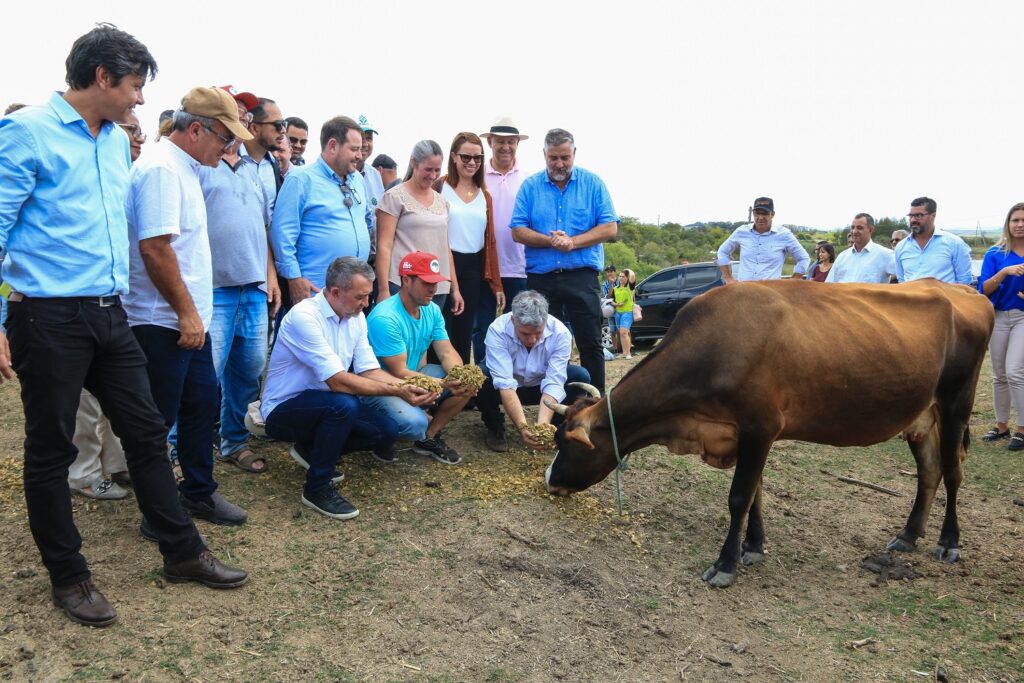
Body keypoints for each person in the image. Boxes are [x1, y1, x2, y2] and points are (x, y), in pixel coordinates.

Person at [0, 24, 246, 628]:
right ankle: (70, 575)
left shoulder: (114, 142)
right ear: (103, 76)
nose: (141, 100)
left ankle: (182, 551)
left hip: (112, 313)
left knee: (143, 432)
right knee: (51, 448)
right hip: (48, 316)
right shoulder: (26, 131)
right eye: (135, 85)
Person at [126, 86, 255, 528]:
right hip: (163, 320)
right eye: (225, 137)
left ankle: (198, 492)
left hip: (188, 319)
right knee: (157, 421)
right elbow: (156, 250)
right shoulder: (162, 169)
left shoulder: (187, 167)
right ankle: (157, 514)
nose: (230, 147)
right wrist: (185, 313)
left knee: (202, 405)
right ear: (196, 129)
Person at [261, 257, 435, 520]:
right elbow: (338, 381)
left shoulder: (355, 316)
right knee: (344, 404)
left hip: (326, 403)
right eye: (360, 297)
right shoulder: (304, 317)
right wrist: (398, 392)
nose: (366, 303)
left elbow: (369, 370)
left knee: (386, 430)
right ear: (334, 292)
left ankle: (311, 449)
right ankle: (316, 488)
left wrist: (410, 386)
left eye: (367, 296)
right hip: (284, 409)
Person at [197, 87, 281, 474]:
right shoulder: (200, 163)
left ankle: (233, 441)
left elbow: (261, 227)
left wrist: (271, 278)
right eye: (239, 113)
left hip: (253, 289)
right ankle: (182, 450)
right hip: (213, 289)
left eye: (249, 114)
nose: (245, 120)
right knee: (203, 377)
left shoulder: (254, 168)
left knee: (248, 371)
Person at [67, 109, 149, 500]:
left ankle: (116, 463)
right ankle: (82, 471)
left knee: (116, 399)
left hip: (122, 302)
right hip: (78, 303)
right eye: (129, 128)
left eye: (138, 131)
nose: (137, 136)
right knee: (84, 399)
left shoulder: (134, 173)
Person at [510, 128, 617, 393]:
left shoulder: (593, 184)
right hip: (542, 279)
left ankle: (595, 403)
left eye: (565, 158)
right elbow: (517, 230)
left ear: (574, 154)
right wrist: (550, 241)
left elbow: (610, 228)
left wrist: (573, 242)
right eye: (554, 158)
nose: (560, 164)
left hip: (581, 275)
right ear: (544, 155)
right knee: (543, 342)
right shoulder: (530, 187)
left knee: (590, 341)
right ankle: (554, 401)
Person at [366, 252, 477, 464]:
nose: (433, 289)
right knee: (414, 423)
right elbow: (398, 372)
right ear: (406, 280)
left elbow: (446, 352)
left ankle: (428, 437)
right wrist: (444, 384)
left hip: (413, 375)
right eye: (427, 283)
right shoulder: (386, 318)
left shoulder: (432, 309)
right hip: (379, 385)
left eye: (436, 282)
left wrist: (460, 376)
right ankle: (379, 433)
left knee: (468, 384)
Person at [270, 115, 373, 309]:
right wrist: (294, 278)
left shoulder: (357, 179)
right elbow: (282, 235)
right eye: (354, 149)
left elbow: (367, 222)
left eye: (360, 149)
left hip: (351, 296)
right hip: (314, 293)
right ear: (333, 145)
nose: (360, 155)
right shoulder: (301, 179)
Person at [478, 290, 593, 451]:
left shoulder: (561, 333)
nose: (532, 340)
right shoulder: (497, 329)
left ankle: (555, 426)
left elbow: (554, 381)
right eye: (525, 333)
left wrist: (542, 426)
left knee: (580, 376)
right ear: (513, 320)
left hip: (539, 386)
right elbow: (504, 383)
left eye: (538, 333)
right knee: (480, 376)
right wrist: (523, 427)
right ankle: (494, 424)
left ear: (545, 320)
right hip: (506, 389)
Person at [438, 132, 504, 365]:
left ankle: (462, 390)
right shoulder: (439, 186)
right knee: (440, 325)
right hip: (442, 263)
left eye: (478, 158)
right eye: (466, 157)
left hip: (472, 265)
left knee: (464, 329)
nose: (472, 162)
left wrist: (496, 283)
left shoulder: (484, 195)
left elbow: (490, 242)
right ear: (454, 156)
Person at [375, 140, 462, 313]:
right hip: (404, 284)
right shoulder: (394, 197)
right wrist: (383, 289)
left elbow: (446, 249)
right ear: (413, 162)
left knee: (430, 337)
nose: (433, 175)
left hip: (437, 286)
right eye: (428, 169)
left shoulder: (443, 202)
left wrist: (456, 289)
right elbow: (384, 246)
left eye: (437, 170)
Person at [475, 117, 529, 364]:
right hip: (485, 266)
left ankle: (514, 381)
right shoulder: (477, 176)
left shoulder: (528, 179)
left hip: (520, 267)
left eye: (510, 142)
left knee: (518, 327)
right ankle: (484, 384)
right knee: (483, 326)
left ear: (517, 143)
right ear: (490, 142)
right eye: (500, 142)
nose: (505, 147)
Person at [977, 202, 1024, 450]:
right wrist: (1004, 272)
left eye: (1023, 220)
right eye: (1015, 220)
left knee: (1015, 371)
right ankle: (1002, 425)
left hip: (1022, 317)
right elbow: (984, 289)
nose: (1019, 225)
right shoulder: (995, 254)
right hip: (998, 316)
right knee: (999, 375)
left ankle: (1022, 429)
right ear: (1008, 223)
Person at [716, 197, 810, 282]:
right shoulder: (741, 232)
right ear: (753, 213)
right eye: (757, 213)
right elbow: (722, 251)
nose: (760, 218)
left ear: (772, 214)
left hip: (770, 294)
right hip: (743, 293)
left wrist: (794, 280)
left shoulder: (784, 235)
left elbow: (804, 258)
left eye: (765, 213)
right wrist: (728, 278)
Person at [894, 197, 972, 284]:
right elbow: (901, 280)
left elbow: (964, 282)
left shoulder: (955, 243)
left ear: (933, 216)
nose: (912, 220)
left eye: (918, 216)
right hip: (910, 297)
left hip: (944, 297)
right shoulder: (901, 247)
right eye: (910, 216)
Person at [826, 213, 897, 283]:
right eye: (852, 227)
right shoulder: (842, 256)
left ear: (871, 230)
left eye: (859, 228)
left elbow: (905, 277)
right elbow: (829, 284)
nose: (854, 231)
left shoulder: (885, 255)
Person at [613, 269, 637, 359]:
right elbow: (611, 301)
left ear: (627, 278)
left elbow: (633, 277)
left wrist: (628, 270)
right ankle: (624, 352)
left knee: (624, 332)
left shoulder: (630, 288)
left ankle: (628, 354)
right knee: (622, 333)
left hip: (627, 312)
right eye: (620, 276)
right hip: (618, 313)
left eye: (623, 276)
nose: (621, 278)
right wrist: (616, 304)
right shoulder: (615, 289)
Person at [601, 264, 619, 354]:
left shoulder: (621, 281)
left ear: (615, 272)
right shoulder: (605, 284)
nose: (609, 273)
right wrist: (611, 285)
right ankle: (615, 349)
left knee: (623, 329)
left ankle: (626, 349)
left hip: (621, 307)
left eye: (611, 271)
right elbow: (607, 297)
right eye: (608, 272)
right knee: (612, 330)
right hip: (611, 308)